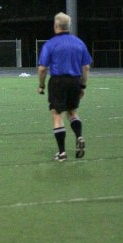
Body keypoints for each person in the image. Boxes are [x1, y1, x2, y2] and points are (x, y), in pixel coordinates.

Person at [37, 12, 92, 162]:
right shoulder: (79, 43)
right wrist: (83, 86)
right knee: (72, 112)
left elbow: (42, 69)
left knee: (57, 114)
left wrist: (41, 85)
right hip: (75, 81)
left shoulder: (50, 44)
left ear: (55, 26)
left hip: (58, 82)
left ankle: (62, 153)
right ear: (69, 26)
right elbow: (86, 67)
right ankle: (79, 136)